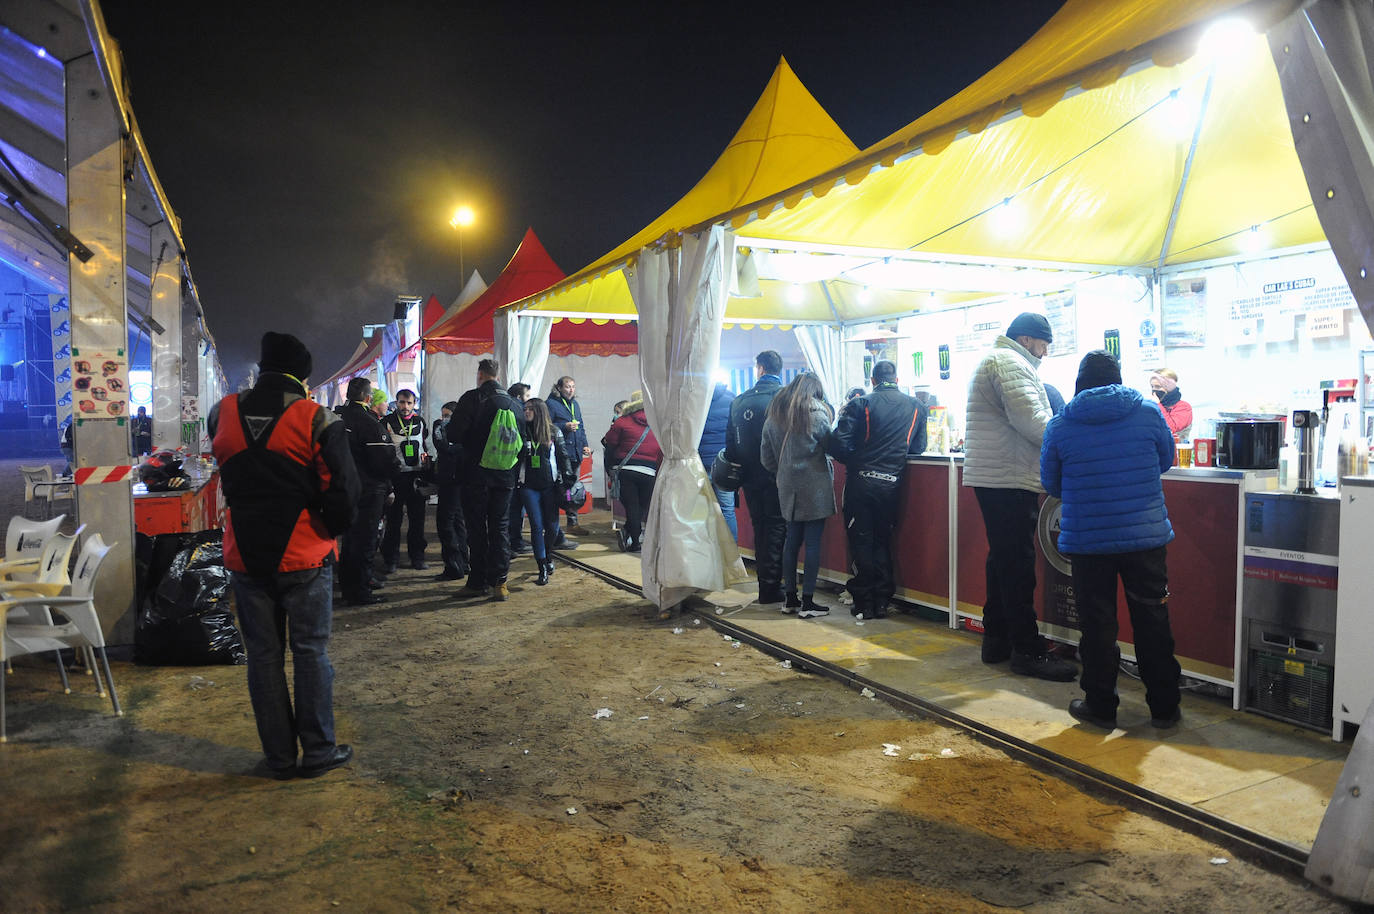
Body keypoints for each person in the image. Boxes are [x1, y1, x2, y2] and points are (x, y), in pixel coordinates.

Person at [208, 331, 357, 780]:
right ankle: (317, 752)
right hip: (304, 554)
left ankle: (277, 757)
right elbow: (345, 492)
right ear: (303, 375)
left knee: (263, 657)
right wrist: (328, 530)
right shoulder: (316, 418)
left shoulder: (223, 413)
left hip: (245, 553)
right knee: (311, 652)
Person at [1042, 351, 1181, 730]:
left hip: (1089, 542)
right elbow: (1165, 460)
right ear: (1118, 379)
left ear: (1079, 383)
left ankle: (1101, 707)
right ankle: (1165, 708)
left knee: (1098, 625)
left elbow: (1051, 484)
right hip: (1145, 539)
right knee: (1153, 619)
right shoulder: (1149, 414)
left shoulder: (1060, 424)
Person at [964, 312, 1076, 682]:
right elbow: (1034, 421)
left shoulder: (1000, 360)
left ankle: (996, 641)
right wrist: (1068, 445)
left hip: (999, 476)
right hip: (1008, 477)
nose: (1045, 352)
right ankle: (1027, 651)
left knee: (1002, 561)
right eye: (1044, 344)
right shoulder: (1009, 362)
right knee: (1017, 566)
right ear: (1027, 340)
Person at [827, 361, 926, 619]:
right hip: (892, 484)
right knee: (882, 541)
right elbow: (918, 448)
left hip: (861, 482)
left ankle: (864, 603)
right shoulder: (916, 406)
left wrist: (857, 461)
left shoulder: (860, 404)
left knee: (861, 541)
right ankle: (882, 601)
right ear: (897, 377)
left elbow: (838, 444)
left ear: (873, 380)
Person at [762, 373, 836, 619]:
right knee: (813, 542)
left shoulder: (775, 414)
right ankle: (809, 602)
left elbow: (766, 458)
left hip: (787, 486)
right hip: (815, 485)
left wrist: (784, 472)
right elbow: (831, 446)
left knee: (791, 541)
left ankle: (790, 599)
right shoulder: (817, 413)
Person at [450, 358, 524, 601]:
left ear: (480, 375)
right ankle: (500, 583)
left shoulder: (471, 398)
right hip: (505, 476)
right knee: (500, 527)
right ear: (498, 375)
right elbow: (522, 442)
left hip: (476, 475)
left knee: (477, 528)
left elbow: (454, 434)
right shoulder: (515, 403)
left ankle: (477, 582)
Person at [724, 350, 787, 604]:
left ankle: (766, 584)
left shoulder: (739, 401)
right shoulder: (785, 398)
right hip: (778, 474)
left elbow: (730, 446)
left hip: (749, 475)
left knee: (760, 526)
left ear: (759, 368)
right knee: (778, 528)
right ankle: (772, 586)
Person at [339, 376, 399, 605]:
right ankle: (360, 591)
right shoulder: (369, 423)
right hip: (369, 489)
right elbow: (384, 461)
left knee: (350, 540)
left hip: (345, 487)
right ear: (367, 397)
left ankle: (348, 587)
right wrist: (393, 476)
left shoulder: (338, 419)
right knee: (365, 540)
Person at [518, 398, 574, 585]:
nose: (526, 412)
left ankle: (548, 555)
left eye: (530, 409)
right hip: (528, 487)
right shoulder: (522, 431)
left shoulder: (553, 431)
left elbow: (563, 456)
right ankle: (541, 566)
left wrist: (567, 481)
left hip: (550, 486)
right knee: (536, 525)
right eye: (525, 408)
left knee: (552, 527)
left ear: (539, 411)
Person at [602, 390, 662, 552]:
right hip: (649, 471)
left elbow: (610, 445)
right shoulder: (657, 424)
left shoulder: (622, 422)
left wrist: (610, 468)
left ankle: (634, 541)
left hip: (626, 470)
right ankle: (630, 533)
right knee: (640, 507)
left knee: (632, 506)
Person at [380, 389, 431, 572]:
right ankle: (390, 559)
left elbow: (424, 444)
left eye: (409, 403)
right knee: (393, 520)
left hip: (415, 476)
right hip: (396, 476)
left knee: (417, 520)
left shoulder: (420, 422)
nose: (405, 406)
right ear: (396, 402)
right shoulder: (386, 422)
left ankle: (417, 557)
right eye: (402, 402)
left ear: (414, 403)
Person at [431, 400, 469, 582]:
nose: (444, 419)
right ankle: (461, 562)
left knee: (449, 522)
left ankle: (456, 565)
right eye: (443, 415)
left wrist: (455, 448)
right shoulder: (440, 426)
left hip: (456, 481)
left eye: (448, 415)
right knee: (455, 521)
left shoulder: (463, 427)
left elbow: (451, 448)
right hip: (450, 479)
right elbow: (443, 446)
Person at [547, 376, 591, 533]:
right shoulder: (551, 404)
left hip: (576, 453)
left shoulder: (575, 404)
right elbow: (547, 426)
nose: (571, 389)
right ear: (559, 387)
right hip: (561, 455)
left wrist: (585, 445)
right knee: (558, 488)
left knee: (572, 490)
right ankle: (553, 525)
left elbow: (581, 427)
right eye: (567, 386)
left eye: (573, 386)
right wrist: (564, 426)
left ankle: (572, 522)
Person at [698, 380, 738, 541]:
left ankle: (707, 550)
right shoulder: (732, 399)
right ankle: (731, 553)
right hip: (724, 463)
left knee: (702, 509)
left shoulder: (698, 399)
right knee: (727, 509)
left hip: (701, 462)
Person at [507, 382, 533, 555]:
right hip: (514, 467)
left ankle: (514, 540)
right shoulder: (517, 414)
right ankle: (513, 541)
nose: (528, 403)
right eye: (527, 397)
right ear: (518, 397)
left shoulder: (510, 410)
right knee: (514, 506)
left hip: (511, 466)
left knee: (515, 506)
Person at [1149, 368, 1193, 440]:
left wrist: (1158, 406)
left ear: (1169, 388)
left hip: (1176, 449)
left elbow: (1171, 429)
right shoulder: (1152, 405)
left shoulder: (1184, 407)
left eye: (1158, 387)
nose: (1154, 390)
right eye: (1152, 386)